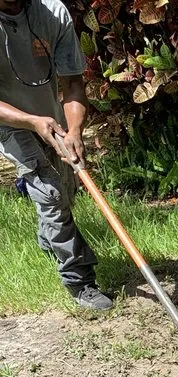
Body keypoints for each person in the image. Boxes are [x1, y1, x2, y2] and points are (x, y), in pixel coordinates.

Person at [0, 0, 112, 310]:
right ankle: (80, 282)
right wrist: (31, 122)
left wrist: (74, 130)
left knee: (65, 190)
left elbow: (73, 82)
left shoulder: (53, 12)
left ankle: (49, 241)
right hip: (8, 123)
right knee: (49, 193)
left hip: (50, 118)